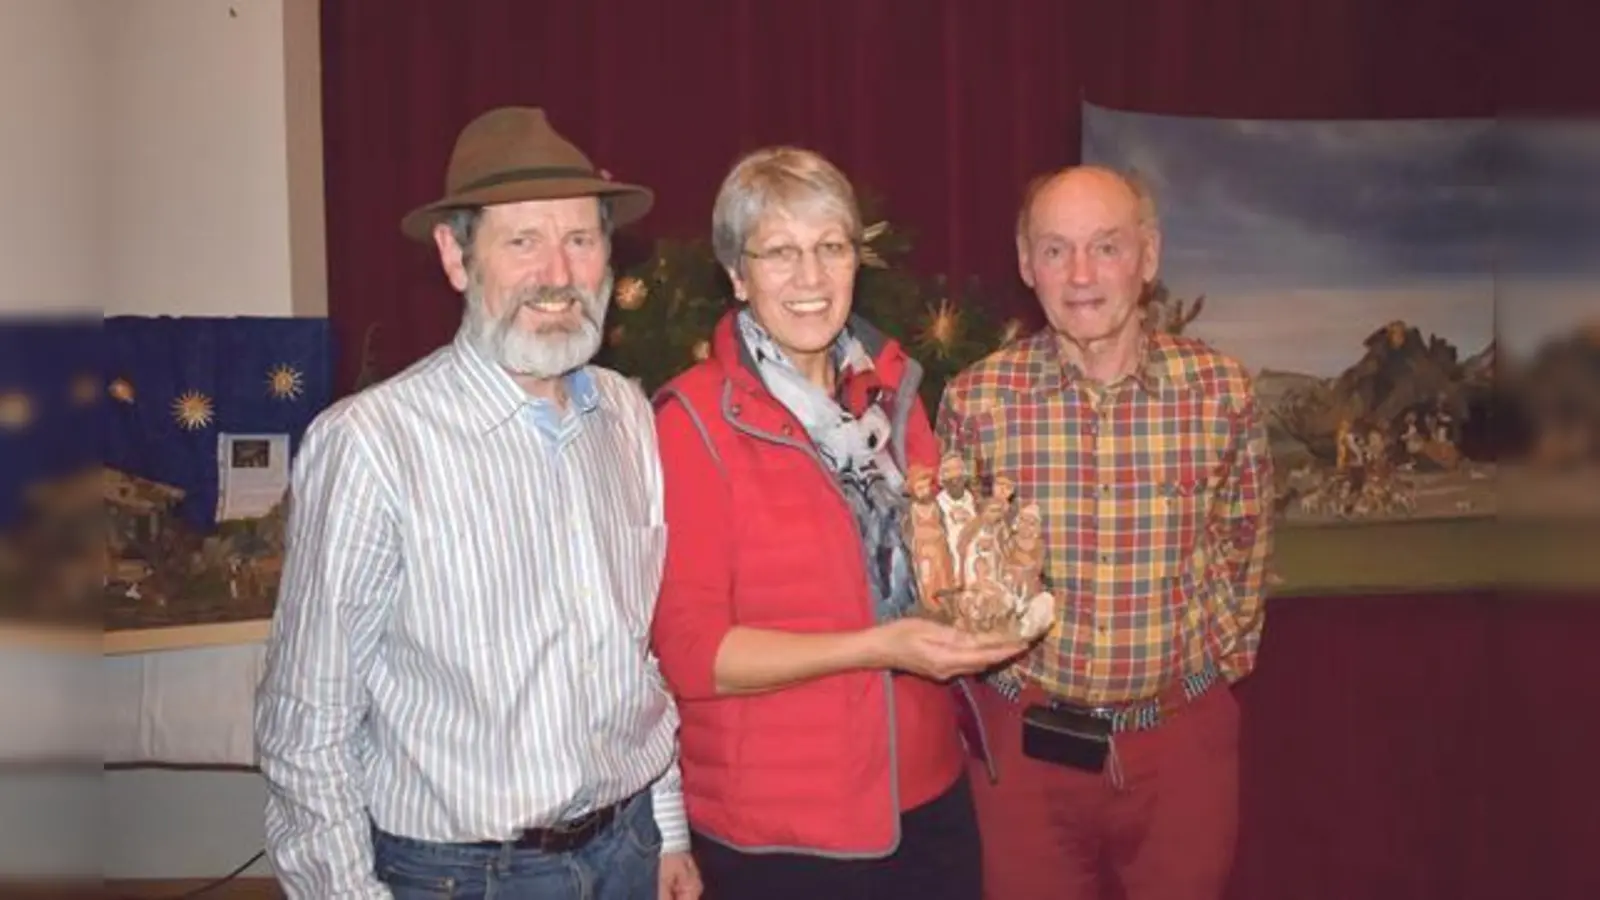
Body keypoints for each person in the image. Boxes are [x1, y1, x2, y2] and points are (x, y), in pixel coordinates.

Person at [255, 107, 701, 900]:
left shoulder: (626, 414)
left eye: (581, 239)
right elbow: (307, 723)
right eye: (522, 241)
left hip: (628, 848)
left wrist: (665, 826)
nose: (558, 274)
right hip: (465, 876)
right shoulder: (371, 444)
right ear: (456, 257)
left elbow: (639, 652)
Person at [647, 146, 1028, 900]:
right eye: (780, 253)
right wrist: (877, 648)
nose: (812, 278)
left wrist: (986, 602)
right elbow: (695, 655)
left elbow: (934, 566)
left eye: (830, 248)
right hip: (787, 833)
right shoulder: (692, 420)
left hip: (926, 796)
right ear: (736, 274)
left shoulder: (891, 395)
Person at [937, 165, 1274, 900]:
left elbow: (1244, 541)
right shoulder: (977, 402)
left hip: (1181, 746)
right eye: (1056, 250)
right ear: (1027, 265)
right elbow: (958, 574)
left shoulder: (1221, 393)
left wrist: (1211, 676)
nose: (1081, 275)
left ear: (1148, 257)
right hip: (1026, 750)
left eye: (1106, 247)